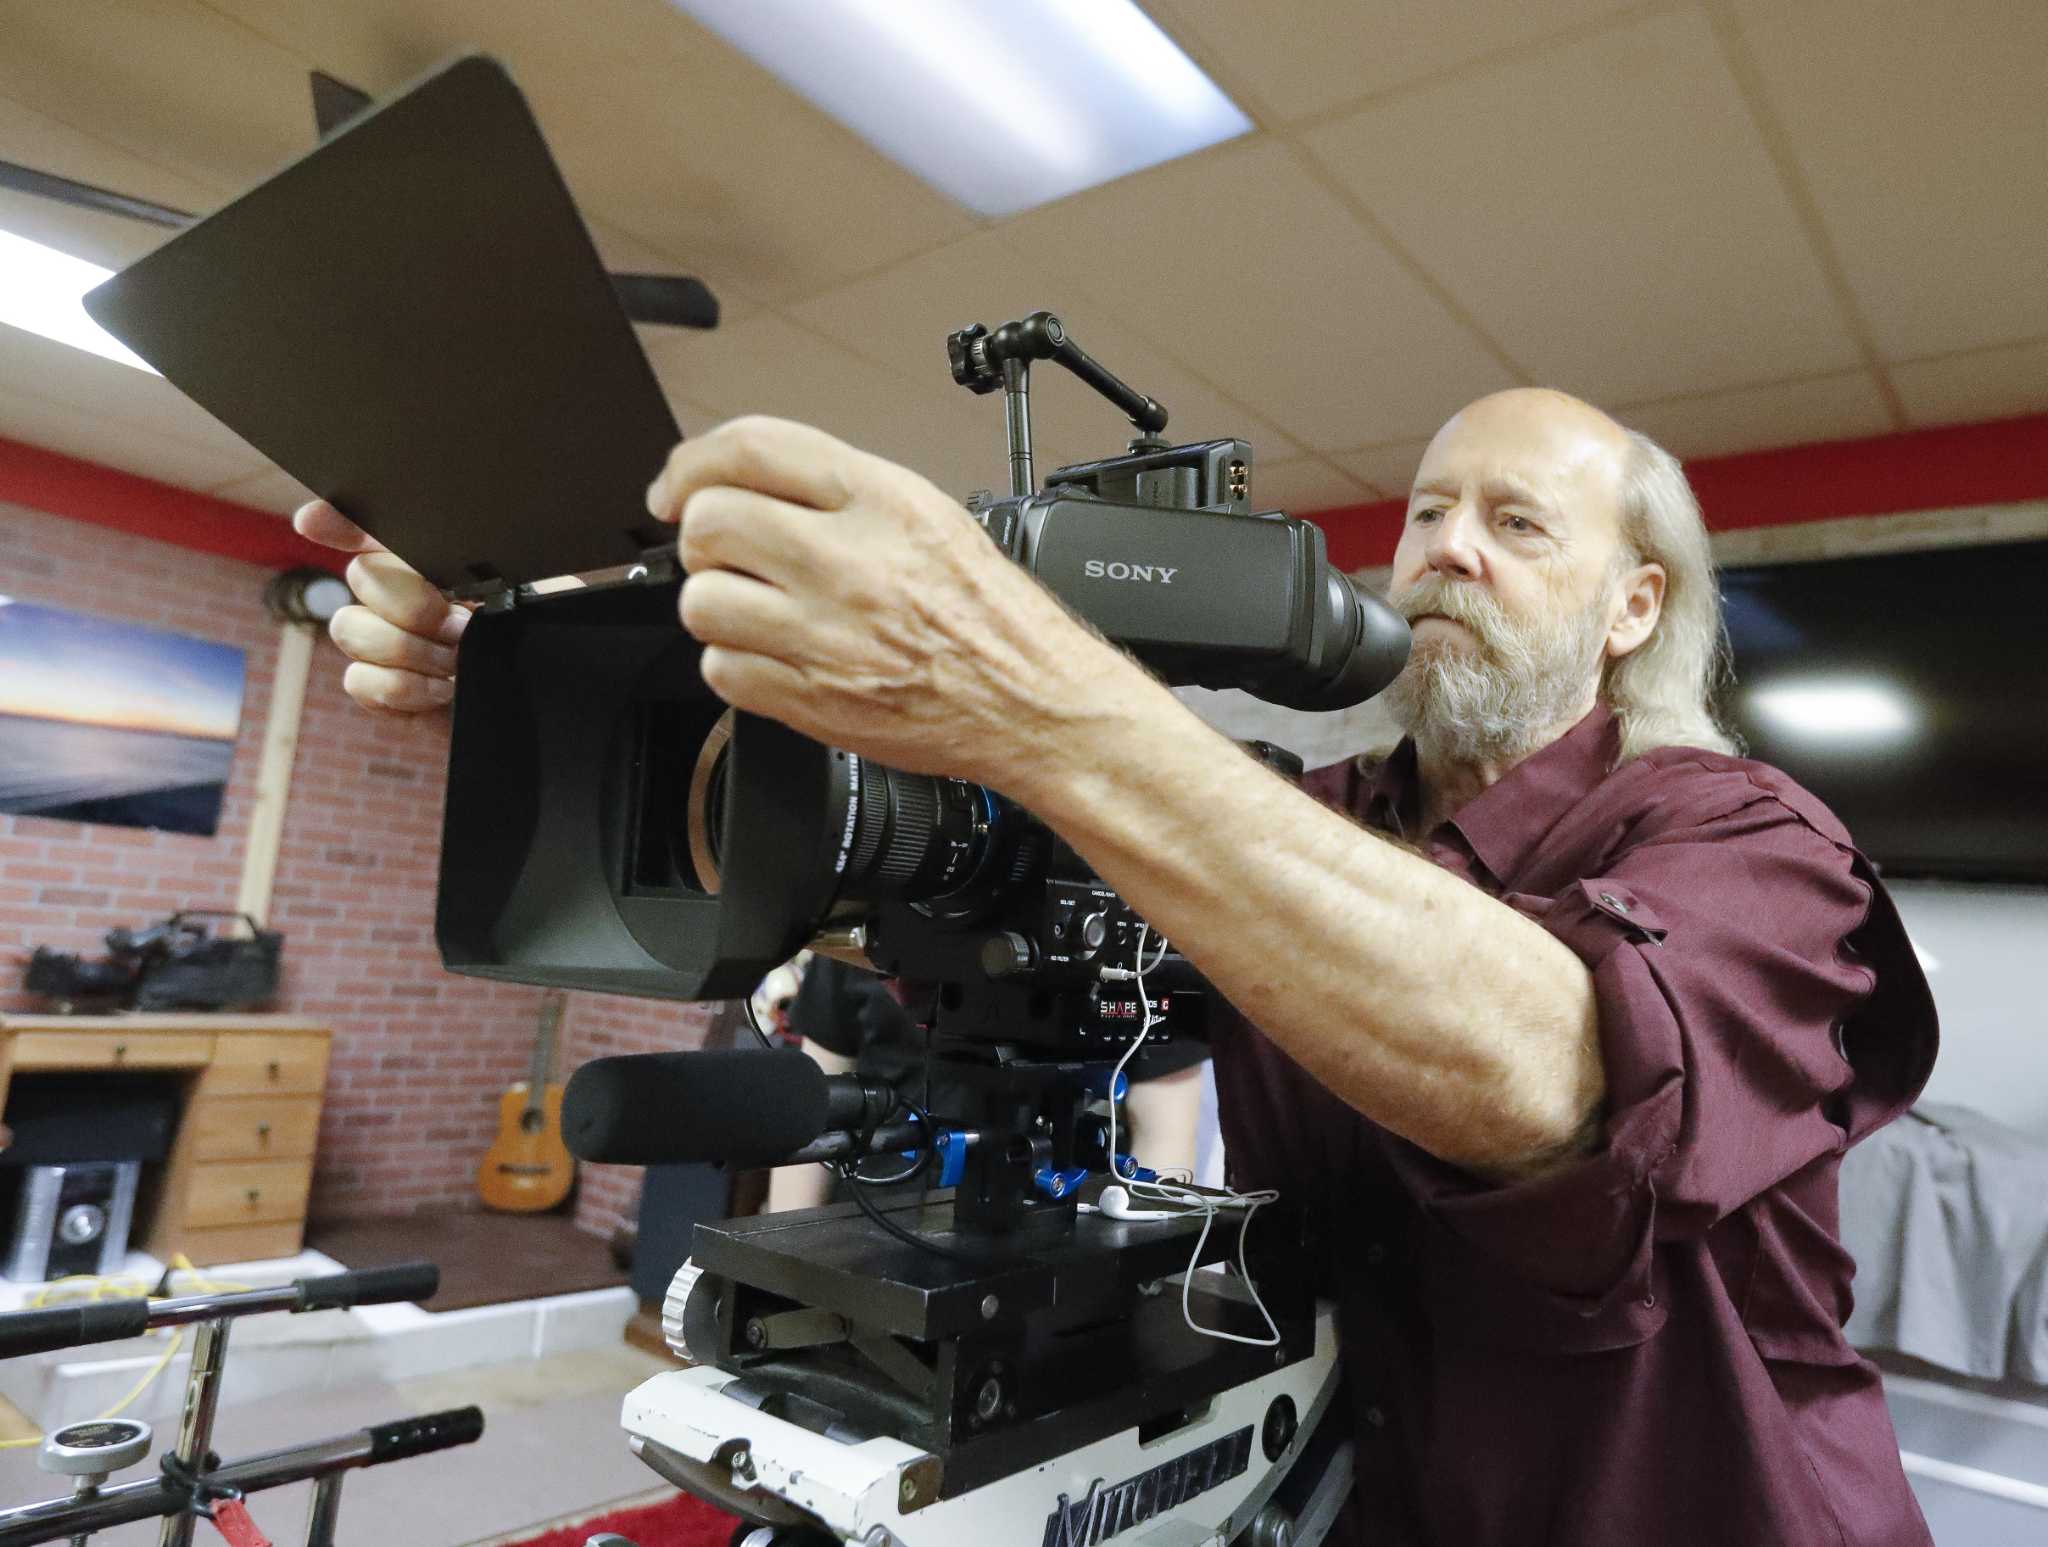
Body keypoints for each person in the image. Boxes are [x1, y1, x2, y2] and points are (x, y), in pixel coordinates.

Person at [298, 386, 1937, 1546]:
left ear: (1629, 606)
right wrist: (564, 700)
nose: (1442, 549)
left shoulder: (1750, 839)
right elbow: (944, 841)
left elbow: (1553, 1074)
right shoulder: (1310, 816)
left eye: (1514, 522)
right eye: (1427, 511)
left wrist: (1040, 694)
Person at [764, 953, 1207, 1211]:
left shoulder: (1129, 943)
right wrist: (780, 1259)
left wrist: (1150, 1291)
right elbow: (816, 1107)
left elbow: (1164, 1134)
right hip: (863, 1231)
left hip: (1049, 1247)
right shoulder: (880, 917)